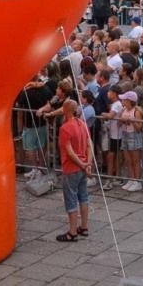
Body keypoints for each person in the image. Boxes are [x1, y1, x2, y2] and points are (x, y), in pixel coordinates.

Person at [55, 99, 92, 243]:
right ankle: (84, 227)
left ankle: (72, 232)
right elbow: (90, 145)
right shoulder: (82, 124)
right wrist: (88, 163)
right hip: (82, 167)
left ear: (65, 110)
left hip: (72, 168)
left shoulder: (65, 128)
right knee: (83, 197)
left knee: (71, 199)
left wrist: (83, 165)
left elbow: (69, 152)